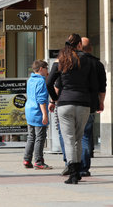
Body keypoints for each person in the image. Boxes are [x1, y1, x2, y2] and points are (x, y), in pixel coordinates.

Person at [47, 33, 98, 184]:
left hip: (65, 104)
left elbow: (49, 83)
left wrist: (55, 98)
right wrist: (95, 102)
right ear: (79, 45)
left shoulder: (61, 60)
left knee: (69, 139)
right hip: (83, 104)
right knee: (79, 138)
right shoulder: (88, 61)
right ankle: (80, 170)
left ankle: (74, 174)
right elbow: (94, 84)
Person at [79, 37, 106, 176]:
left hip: (75, 103)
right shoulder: (98, 64)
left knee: (75, 136)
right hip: (90, 104)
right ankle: (84, 167)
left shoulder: (75, 62)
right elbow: (103, 86)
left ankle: (73, 164)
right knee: (86, 135)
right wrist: (101, 101)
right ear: (90, 48)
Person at [23, 60, 52, 170]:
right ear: (41, 69)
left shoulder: (30, 80)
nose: (47, 70)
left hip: (29, 110)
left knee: (31, 136)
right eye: (46, 68)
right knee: (40, 137)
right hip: (37, 111)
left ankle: (27, 159)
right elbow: (41, 99)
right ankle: (38, 161)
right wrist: (45, 114)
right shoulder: (41, 82)